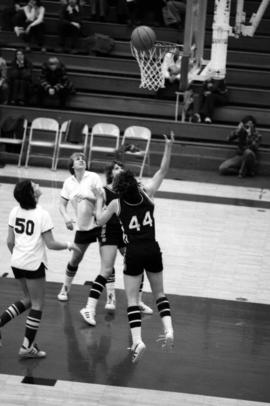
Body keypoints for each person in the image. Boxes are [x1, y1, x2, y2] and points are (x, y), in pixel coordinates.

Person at [95, 132, 175, 363]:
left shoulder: (115, 203)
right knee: (159, 293)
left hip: (133, 252)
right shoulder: (147, 195)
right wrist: (168, 148)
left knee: (131, 299)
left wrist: (98, 200)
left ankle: (138, 340)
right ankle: (168, 329)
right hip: (153, 249)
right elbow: (162, 171)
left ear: (119, 188)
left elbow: (99, 221)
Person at [0, 180, 80, 358]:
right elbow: (51, 244)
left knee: (27, 299)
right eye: (33, 185)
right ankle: (27, 347)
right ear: (31, 193)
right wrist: (69, 245)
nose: (37, 184)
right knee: (37, 304)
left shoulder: (14, 211)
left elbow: (10, 241)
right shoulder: (42, 214)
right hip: (33, 264)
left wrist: (19, 256)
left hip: (17, 262)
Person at [79, 160, 153, 327]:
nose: (120, 170)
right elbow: (95, 208)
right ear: (110, 173)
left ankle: (138, 301)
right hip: (109, 231)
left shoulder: (127, 189)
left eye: (122, 167)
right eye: (117, 168)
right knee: (106, 269)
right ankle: (88, 308)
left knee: (138, 264)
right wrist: (91, 198)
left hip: (124, 232)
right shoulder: (104, 191)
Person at [57, 152, 103, 302]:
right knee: (75, 258)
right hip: (83, 227)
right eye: (78, 159)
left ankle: (111, 296)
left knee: (107, 260)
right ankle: (65, 287)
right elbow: (62, 205)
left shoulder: (94, 177)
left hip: (100, 223)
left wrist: (88, 197)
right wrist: (66, 218)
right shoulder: (68, 183)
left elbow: (103, 199)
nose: (82, 160)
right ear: (72, 165)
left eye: (83, 158)